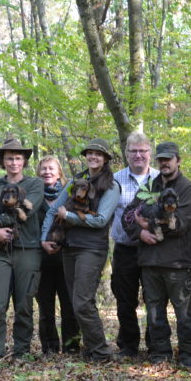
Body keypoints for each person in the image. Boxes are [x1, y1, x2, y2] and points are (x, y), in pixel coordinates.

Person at [41, 139, 121, 362]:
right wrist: (43, 239)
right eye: (90, 153)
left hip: (92, 249)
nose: (93, 157)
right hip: (69, 248)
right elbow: (53, 211)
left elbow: (102, 219)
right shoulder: (76, 181)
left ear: (105, 159)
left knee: (82, 302)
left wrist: (70, 217)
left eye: (98, 154)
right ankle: (92, 349)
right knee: (80, 302)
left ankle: (102, 352)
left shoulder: (112, 186)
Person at [133, 141, 191, 371]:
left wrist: (153, 223)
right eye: (161, 159)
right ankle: (160, 353)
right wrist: (140, 231)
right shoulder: (150, 186)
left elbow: (182, 223)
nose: (164, 163)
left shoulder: (187, 188)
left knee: (183, 313)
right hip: (150, 261)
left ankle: (189, 356)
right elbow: (131, 215)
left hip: (177, 262)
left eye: (169, 159)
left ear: (178, 160)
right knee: (154, 312)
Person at [0, 139, 44, 360]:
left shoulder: (34, 184)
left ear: (24, 161)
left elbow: (25, 210)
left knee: (24, 305)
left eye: (17, 158)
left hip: (28, 249)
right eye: (9, 158)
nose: (13, 162)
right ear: (2, 161)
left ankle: (22, 352)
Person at [109, 131, 165, 358]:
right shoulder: (115, 180)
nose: (138, 155)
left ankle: (156, 346)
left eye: (143, 151)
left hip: (154, 250)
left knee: (155, 299)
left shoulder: (161, 179)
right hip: (125, 249)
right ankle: (128, 346)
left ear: (150, 153)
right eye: (134, 151)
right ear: (127, 154)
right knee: (125, 300)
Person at [35, 156, 79, 355]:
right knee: (45, 308)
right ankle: (50, 347)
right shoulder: (33, 197)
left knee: (69, 305)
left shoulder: (70, 195)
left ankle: (72, 346)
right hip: (41, 260)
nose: (47, 172)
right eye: (43, 169)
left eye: (51, 168)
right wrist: (41, 242)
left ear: (59, 172)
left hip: (66, 259)